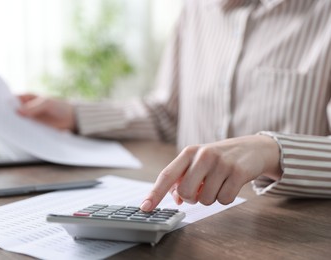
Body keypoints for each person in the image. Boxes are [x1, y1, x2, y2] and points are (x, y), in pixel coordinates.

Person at [18, 0, 331, 212]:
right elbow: (168, 114)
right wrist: (76, 114)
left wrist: (271, 152)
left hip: (290, 232)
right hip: (194, 221)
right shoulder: (196, 9)